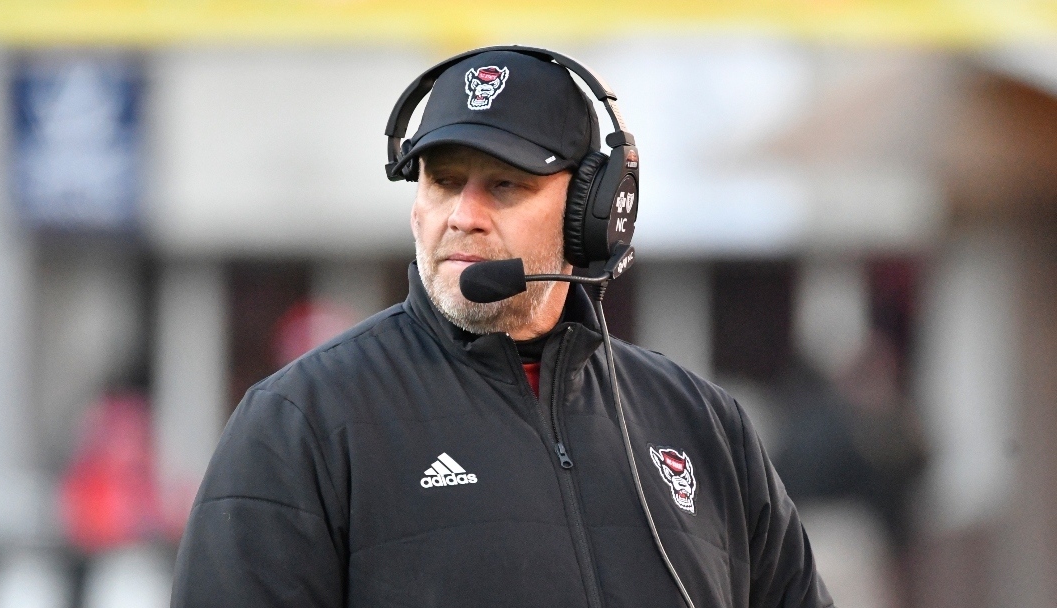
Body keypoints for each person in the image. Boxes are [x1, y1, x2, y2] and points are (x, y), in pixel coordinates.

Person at [171, 47, 833, 608]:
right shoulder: (302, 420)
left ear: (593, 213)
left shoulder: (703, 425)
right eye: (443, 181)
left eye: (505, 187)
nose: (462, 215)